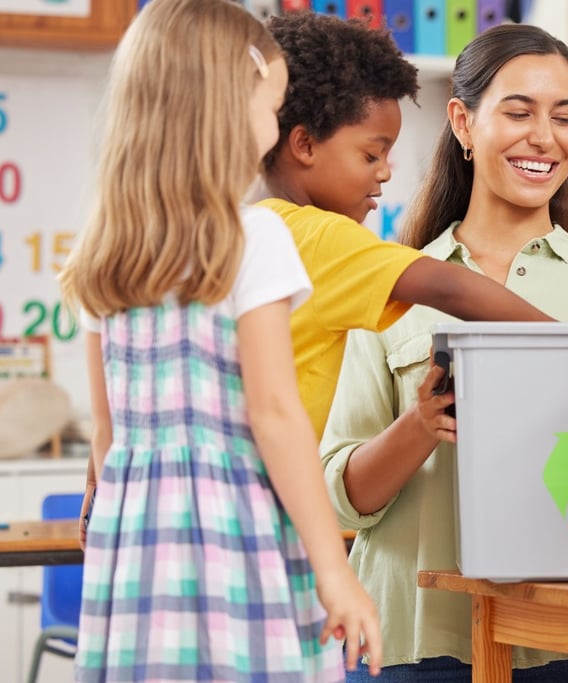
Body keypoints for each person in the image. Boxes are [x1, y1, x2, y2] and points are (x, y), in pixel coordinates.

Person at [318, 24, 568, 681]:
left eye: (564, 116)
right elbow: (339, 498)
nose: (545, 137)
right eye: (519, 112)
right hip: (415, 640)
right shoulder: (388, 284)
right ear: (463, 122)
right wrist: (420, 424)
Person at [59, 0, 380, 677]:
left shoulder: (102, 249)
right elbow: (274, 414)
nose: (275, 126)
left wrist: (114, 531)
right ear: (227, 106)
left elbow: (106, 435)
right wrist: (334, 570)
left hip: (138, 549)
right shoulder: (251, 237)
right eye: (272, 106)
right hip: (237, 535)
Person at [257, 13, 553, 438]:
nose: (385, 172)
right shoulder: (318, 236)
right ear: (304, 144)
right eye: (371, 155)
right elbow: (448, 287)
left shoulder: (246, 226)